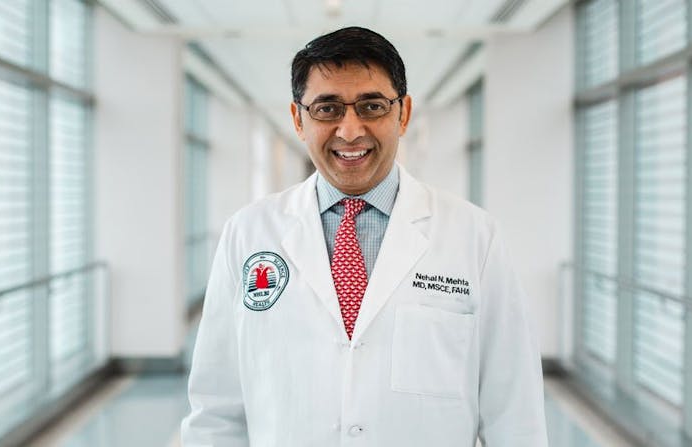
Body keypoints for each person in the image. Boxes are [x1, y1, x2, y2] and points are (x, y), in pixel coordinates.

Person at [181, 26, 548, 447]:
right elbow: (216, 411)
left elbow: (514, 413)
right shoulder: (247, 234)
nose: (350, 130)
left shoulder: (474, 237)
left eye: (372, 106)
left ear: (403, 114)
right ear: (298, 119)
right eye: (327, 108)